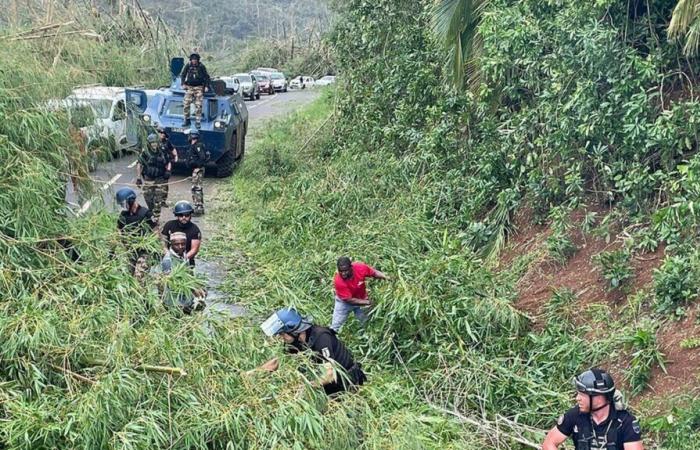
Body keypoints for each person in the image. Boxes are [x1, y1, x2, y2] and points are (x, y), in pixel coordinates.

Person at [253, 308, 366, 396]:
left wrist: (305, 387)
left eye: (282, 334)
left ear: (294, 330)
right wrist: (255, 373)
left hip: (346, 383)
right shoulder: (294, 342)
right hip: (325, 383)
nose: (281, 338)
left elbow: (330, 374)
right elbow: (280, 361)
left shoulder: (321, 337)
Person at [542, 368, 644, 450]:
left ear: (598, 397)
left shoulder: (625, 422)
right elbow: (548, 444)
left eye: (582, 395)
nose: (577, 398)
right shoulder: (575, 415)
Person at [331, 256, 389, 332]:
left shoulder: (360, 267)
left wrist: (386, 277)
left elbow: (374, 273)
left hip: (361, 298)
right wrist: (368, 302)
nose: (343, 273)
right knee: (336, 326)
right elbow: (349, 300)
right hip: (344, 303)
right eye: (340, 271)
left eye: (345, 271)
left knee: (366, 323)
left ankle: (364, 336)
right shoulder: (339, 281)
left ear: (351, 267)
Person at [116, 187, 157, 279]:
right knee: (126, 277)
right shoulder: (123, 215)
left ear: (130, 201)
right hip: (130, 251)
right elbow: (118, 230)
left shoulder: (146, 213)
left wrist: (158, 250)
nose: (123, 207)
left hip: (145, 251)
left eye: (124, 204)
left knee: (139, 278)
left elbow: (156, 231)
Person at [160, 231, 205, 314]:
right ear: (171, 244)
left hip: (185, 298)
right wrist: (192, 289)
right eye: (176, 244)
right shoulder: (168, 260)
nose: (180, 247)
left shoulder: (184, 257)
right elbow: (169, 282)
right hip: (174, 302)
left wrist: (197, 285)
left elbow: (188, 275)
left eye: (183, 244)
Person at [136, 133, 171, 223]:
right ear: (149, 143)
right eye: (152, 143)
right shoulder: (145, 152)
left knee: (158, 199)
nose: (154, 144)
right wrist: (138, 178)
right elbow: (139, 164)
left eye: (155, 142)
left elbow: (168, 162)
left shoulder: (163, 151)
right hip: (149, 179)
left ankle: (156, 218)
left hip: (160, 178)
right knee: (148, 197)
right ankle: (151, 210)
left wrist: (168, 171)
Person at [160, 201, 202, 267]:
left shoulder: (195, 229)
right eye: (181, 215)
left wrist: (184, 258)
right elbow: (163, 241)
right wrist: (166, 253)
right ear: (177, 215)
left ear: (190, 215)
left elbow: (194, 249)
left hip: (186, 259)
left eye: (187, 215)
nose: (184, 217)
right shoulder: (169, 225)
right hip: (169, 258)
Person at [180, 53, 210, 128]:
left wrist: (206, 86)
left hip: (199, 87)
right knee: (186, 103)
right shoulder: (188, 65)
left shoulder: (201, 66)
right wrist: (183, 84)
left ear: (197, 60)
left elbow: (206, 77)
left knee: (198, 105)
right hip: (189, 87)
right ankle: (187, 120)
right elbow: (183, 74)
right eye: (193, 60)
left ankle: (197, 121)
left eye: (195, 60)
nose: (194, 61)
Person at [186, 130, 208, 216]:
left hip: (198, 170)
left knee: (197, 188)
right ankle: (197, 206)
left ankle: (199, 208)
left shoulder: (198, 146)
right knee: (195, 188)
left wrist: (198, 167)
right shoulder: (193, 146)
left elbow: (202, 158)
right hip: (195, 169)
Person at [157, 127, 177, 205]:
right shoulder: (152, 142)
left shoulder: (166, 142)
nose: (162, 135)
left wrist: (175, 156)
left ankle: (163, 201)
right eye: (160, 133)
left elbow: (173, 149)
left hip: (164, 165)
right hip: (156, 166)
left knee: (164, 184)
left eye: (163, 133)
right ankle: (156, 200)